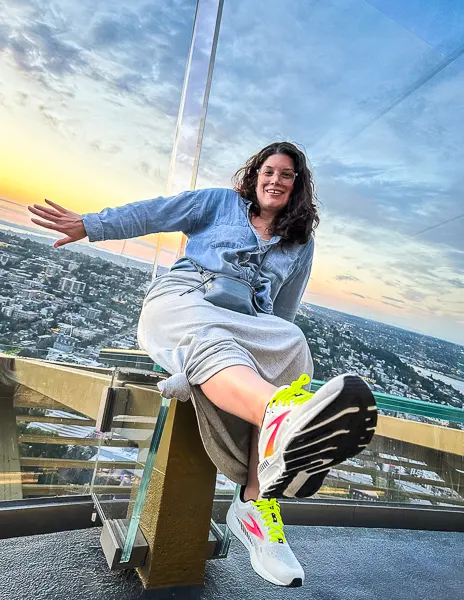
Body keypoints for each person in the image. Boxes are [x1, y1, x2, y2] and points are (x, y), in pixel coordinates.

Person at [29, 141, 377, 588]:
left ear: (298, 186)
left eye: (286, 175)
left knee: (291, 343)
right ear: (255, 175)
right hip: (187, 299)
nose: (275, 180)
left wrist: (270, 348)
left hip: (249, 317)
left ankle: (255, 506)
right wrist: (90, 225)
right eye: (268, 171)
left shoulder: (300, 243)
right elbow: (156, 212)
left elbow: (284, 311)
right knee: (210, 339)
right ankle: (281, 419)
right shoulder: (220, 203)